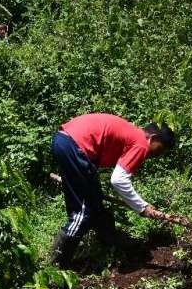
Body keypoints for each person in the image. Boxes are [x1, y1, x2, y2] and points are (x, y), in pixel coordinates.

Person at [50, 113, 177, 267]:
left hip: (68, 141)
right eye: (160, 149)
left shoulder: (132, 134)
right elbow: (118, 180)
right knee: (82, 214)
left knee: (95, 202)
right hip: (75, 146)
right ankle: (55, 267)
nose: (157, 155)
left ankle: (111, 243)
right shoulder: (141, 143)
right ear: (154, 138)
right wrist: (142, 207)